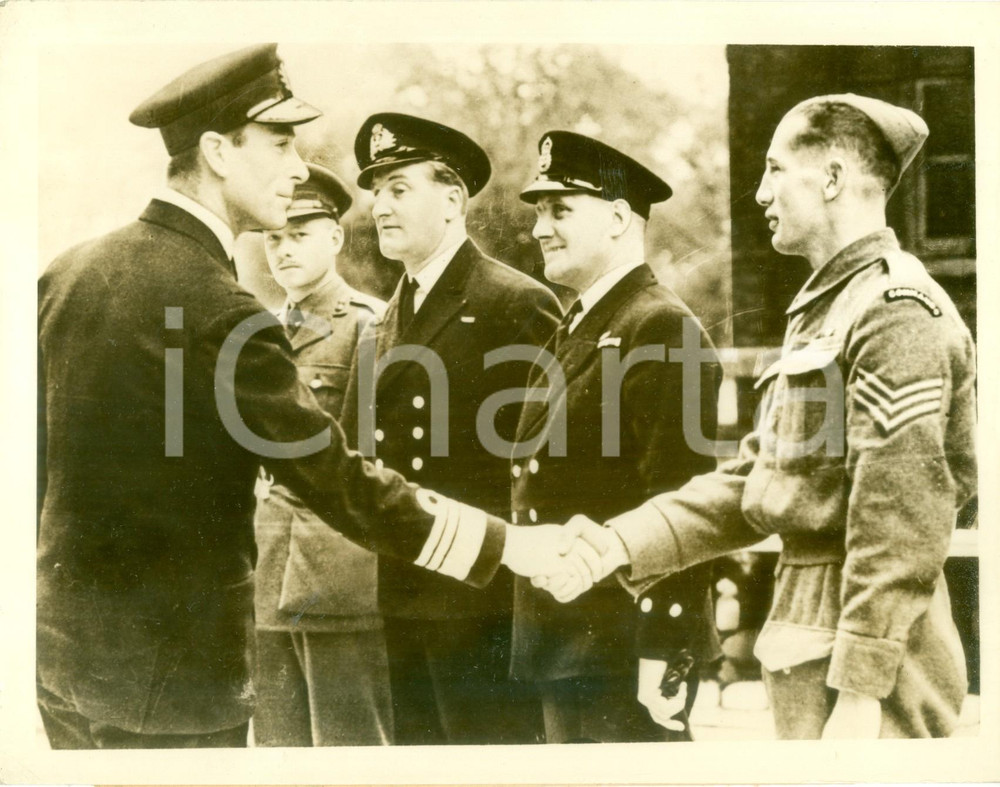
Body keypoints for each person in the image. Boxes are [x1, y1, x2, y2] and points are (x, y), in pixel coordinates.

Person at [36, 43, 568, 750]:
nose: (297, 167)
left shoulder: (67, 273)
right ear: (219, 151)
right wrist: (506, 545)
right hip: (179, 685)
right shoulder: (226, 312)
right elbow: (335, 477)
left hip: (60, 662)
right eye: (282, 143)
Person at [543, 94, 978, 739]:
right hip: (808, 632)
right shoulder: (826, 309)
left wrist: (862, 688)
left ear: (831, 178)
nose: (758, 193)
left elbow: (900, 514)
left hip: (874, 657)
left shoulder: (894, 308)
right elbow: (755, 478)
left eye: (775, 170)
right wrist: (620, 541)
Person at [338, 113, 561, 744]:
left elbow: (541, 470)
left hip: (484, 605)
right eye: (376, 191)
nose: (380, 206)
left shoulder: (513, 302)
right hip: (404, 594)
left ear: (453, 198)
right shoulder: (383, 320)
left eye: (399, 188)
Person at [509, 131, 722, 742]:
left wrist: (664, 650)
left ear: (619, 219)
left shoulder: (658, 326)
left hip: (624, 651)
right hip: (567, 642)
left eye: (560, 210)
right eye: (539, 212)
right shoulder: (585, 323)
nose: (538, 229)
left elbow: (682, 505)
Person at [251, 163, 392, 746]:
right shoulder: (258, 329)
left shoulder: (369, 325)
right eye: (274, 238)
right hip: (265, 567)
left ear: (335, 238)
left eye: (299, 235)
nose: (283, 250)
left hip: (337, 573)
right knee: (279, 752)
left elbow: (375, 457)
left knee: (349, 747)